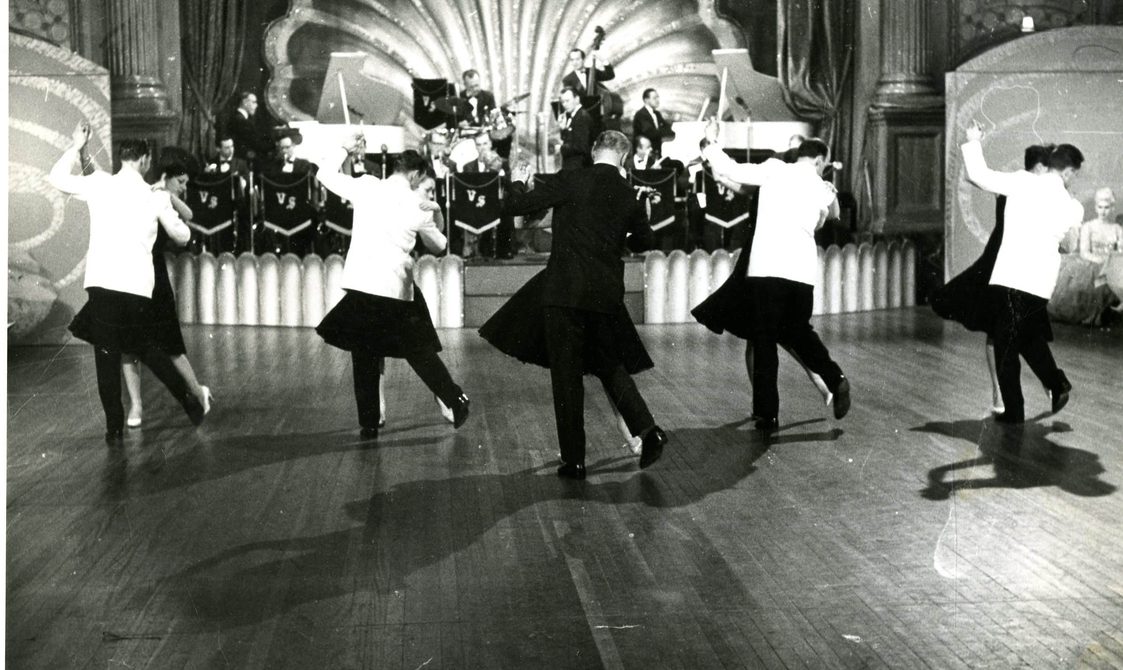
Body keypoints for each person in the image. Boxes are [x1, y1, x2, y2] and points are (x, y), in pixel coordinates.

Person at [497, 130, 668, 479]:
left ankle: (574, 461)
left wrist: (517, 182)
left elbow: (515, 208)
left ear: (593, 151)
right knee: (610, 366)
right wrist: (633, 219)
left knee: (566, 377)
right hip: (604, 295)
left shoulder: (572, 179)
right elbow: (645, 241)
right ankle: (648, 431)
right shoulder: (627, 192)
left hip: (564, 292)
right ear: (624, 157)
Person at [48, 123, 206, 444]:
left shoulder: (99, 184)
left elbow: (57, 178)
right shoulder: (154, 196)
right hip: (136, 288)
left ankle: (114, 429)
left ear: (122, 158)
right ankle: (190, 401)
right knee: (146, 349)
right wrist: (171, 212)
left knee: (107, 355)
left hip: (101, 284)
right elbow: (181, 235)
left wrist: (77, 145)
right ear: (145, 161)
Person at [701, 120, 851, 431]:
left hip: (766, 269)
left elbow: (730, 169)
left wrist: (711, 141)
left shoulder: (773, 169)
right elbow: (832, 216)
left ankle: (767, 415)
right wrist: (827, 194)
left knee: (764, 342)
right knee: (800, 332)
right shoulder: (820, 185)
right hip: (801, 274)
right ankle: (835, 378)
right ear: (819, 160)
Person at [313, 141, 469, 440]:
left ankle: (370, 423)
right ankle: (455, 399)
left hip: (361, 284)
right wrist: (436, 213)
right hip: (395, 289)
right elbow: (439, 246)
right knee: (419, 351)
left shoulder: (367, 186)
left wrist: (345, 147)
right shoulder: (416, 204)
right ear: (415, 175)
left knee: (364, 355)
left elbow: (324, 174)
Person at [960, 122, 1084, 423]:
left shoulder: (1021, 182)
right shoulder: (1072, 206)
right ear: (1069, 172)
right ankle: (1056, 384)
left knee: (1005, 344)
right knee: (1026, 338)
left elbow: (977, 175)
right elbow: (1069, 245)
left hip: (1009, 277)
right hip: (1040, 284)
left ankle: (1016, 411)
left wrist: (973, 140)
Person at [932, 144, 1052, 413]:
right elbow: (974, 176)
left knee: (1025, 326)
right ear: (1040, 167)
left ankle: (1045, 383)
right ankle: (1001, 394)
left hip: (1020, 263)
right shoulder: (1013, 184)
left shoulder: (1041, 191)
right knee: (996, 328)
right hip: (998, 262)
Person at [121, 162, 214, 427]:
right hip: (129, 272)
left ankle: (197, 390)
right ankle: (136, 406)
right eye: (180, 182)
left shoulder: (164, 197)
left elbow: (189, 214)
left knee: (170, 341)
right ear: (166, 176)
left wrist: (168, 193)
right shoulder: (142, 193)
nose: (184, 187)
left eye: (186, 183)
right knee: (128, 345)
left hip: (156, 275)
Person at [1051, 186, 1123, 325]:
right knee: (1094, 280)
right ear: (1096, 207)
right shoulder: (1089, 227)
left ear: (1112, 208)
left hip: (1111, 263)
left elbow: (1120, 251)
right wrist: (1100, 260)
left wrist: (1111, 260)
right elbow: (1084, 252)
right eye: (1100, 207)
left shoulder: (1117, 229)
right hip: (1091, 263)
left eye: (1107, 207)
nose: (1103, 211)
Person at [458, 132, 514, 259]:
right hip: (475, 204)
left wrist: (498, 170)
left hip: (495, 203)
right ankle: (470, 247)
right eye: (479, 145)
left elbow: (508, 187)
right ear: (475, 147)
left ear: (490, 144)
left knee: (505, 208)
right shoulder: (468, 167)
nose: (482, 148)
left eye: (485, 143)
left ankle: (502, 249)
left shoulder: (503, 163)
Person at [220, 91, 266, 163]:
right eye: (254, 102)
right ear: (245, 102)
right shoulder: (241, 121)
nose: (256, 105)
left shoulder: (238, 118)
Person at [557, 87, 592, 171]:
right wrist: (563, 129)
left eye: (567, 101)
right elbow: (571, 140)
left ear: (577, 99)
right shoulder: (575, 116)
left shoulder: (582, 117)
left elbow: (581, 147)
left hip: (579, 168)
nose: (564, 105)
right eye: (563, 102)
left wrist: (561, 148)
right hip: (574, 167)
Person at [632, 88, 674, 156]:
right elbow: (650, 132)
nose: (657, 100)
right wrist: (666, 131)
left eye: (658, 97)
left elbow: (667, 127)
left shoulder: (657, 114)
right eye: (654, 98)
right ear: (646, 100)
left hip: (655, 151)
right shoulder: (641, 114)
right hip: (644, 153)